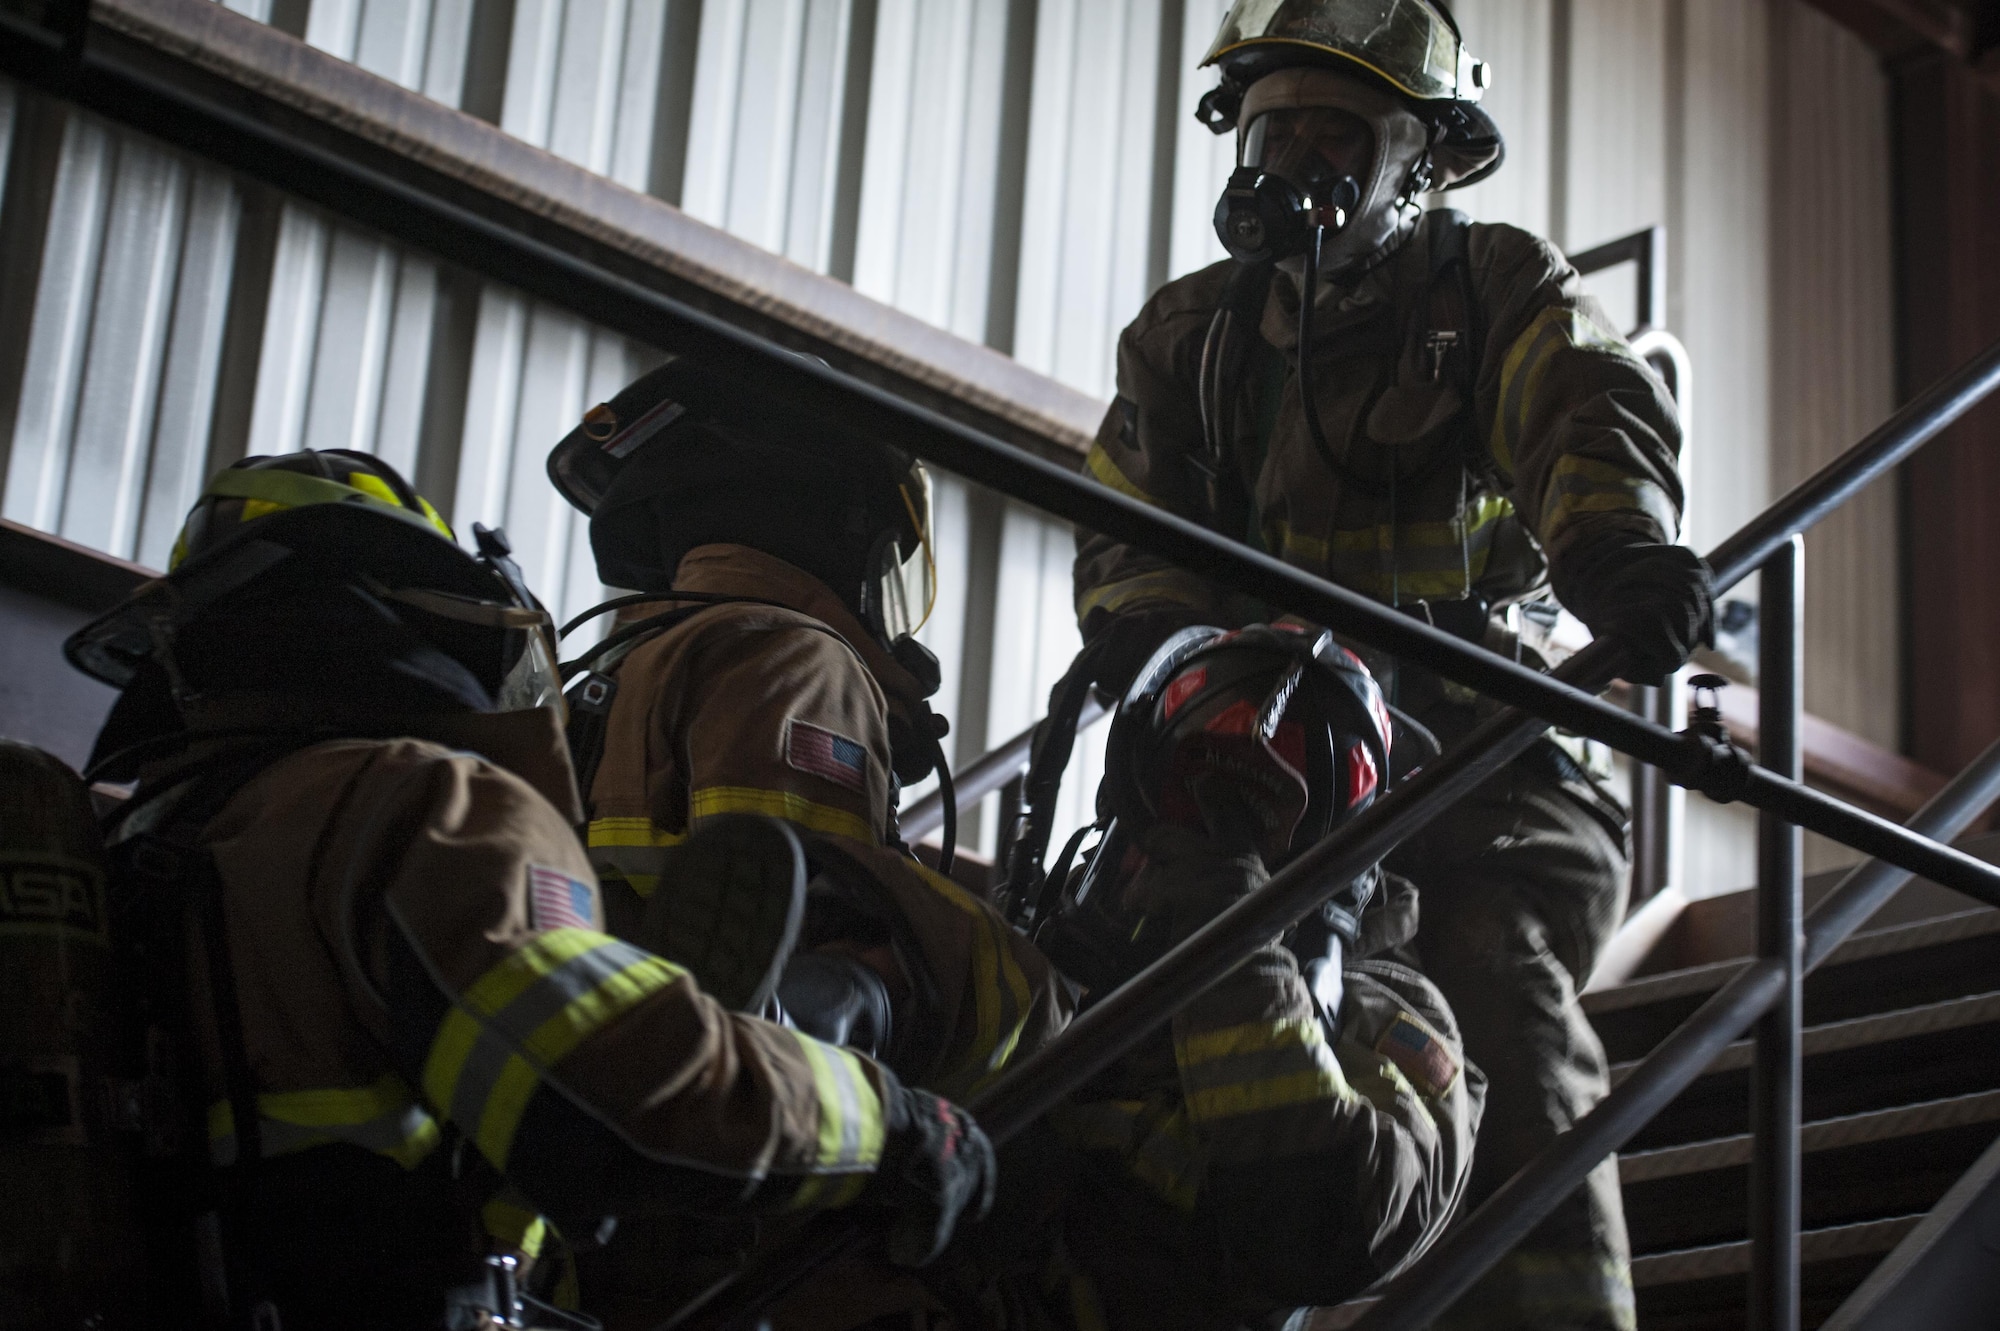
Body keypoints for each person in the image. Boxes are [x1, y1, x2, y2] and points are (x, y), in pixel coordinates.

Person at [1070, 4, 1712, 1327]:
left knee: (1500, 1013)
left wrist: (1615, 557)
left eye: (1336, 129)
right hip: (1272, 754)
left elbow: (1580, 415)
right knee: (1170, 1023)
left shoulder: (1493, 286)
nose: (1295, 154)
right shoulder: (1193, 334)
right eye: (1273, 126)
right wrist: (1152, 635)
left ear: (1421, 157)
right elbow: (1129, 513)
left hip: (1480, 761)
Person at [64, 449, 994, 1330]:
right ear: (418, 607)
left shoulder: (141, 842)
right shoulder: (416, 804)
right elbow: (617, 1096)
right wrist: (890, 1119)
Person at [545, 365, 1073, 1324]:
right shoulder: (798, 657)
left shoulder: (619, 665)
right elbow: (812, 910)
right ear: (840, 529)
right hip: (730, 1190)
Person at [1007, 625, 1484, 1330]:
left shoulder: (1388, 1012)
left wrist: (1233, 939)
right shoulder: (1055, 933)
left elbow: (1326, 1230)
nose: (1144, 871)